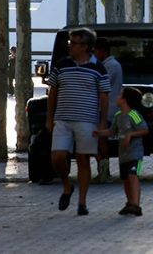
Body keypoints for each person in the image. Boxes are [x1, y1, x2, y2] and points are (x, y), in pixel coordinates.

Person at [46, 28, 110, 216]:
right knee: (57, 156)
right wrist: (49, 117)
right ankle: (67, 186)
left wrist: (102, 122)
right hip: (62, 119)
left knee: (83, 160)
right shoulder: (61, 65)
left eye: (73, 43)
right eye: (70, 43)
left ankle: (82, 202)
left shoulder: (98, 68)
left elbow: (104, 96)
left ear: (86, 47)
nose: (70, 46)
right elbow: (53, 92)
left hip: (87, 120)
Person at [94, 87, 149, 216]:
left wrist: (131, 135)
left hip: (135, 153)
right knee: (125, 179)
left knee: (133, 176)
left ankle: (136, 204)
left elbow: (144, 129)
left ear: (125, 99)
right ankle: (129, 202)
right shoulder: (118, 116)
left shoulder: (133, 115)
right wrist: (100, 133)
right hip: (123, 154)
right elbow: (112, 131)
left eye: (120, 94)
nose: (117, 97)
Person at [93, 37, 124, 182]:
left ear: (101, 51)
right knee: (99, 140)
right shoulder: (111, 65)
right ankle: (103, 170)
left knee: (101, 140)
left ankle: (104, 171)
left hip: (105, 108)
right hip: (107, 107)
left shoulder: (109, 66)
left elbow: (99, 86)